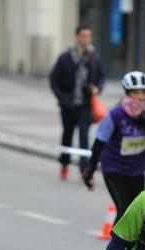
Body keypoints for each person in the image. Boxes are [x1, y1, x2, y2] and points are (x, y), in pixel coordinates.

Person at [81, 71, 145, 224]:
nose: (140, 96)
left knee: (138, 210)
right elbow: (99, 143)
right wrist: (90, 171)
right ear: (127, 93)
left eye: (144, 92)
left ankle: (133, 246)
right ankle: (117, 247)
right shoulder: (116, 114)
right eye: (135, 92)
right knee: (124, 209)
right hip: (114, 166)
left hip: (137, 168)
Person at [49, 25, 103, 180]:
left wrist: (96, 89)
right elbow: (54, 81)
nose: (86, 39)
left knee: (84, 135)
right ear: (77, 37)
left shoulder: (94, 57)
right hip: (68, 105)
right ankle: (64, 164)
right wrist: (62, 98)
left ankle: (84, 168)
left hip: (85, 105)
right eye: (83, 36)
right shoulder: (65, 57)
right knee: (67, 135)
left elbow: (101, 77)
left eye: (89, 36)